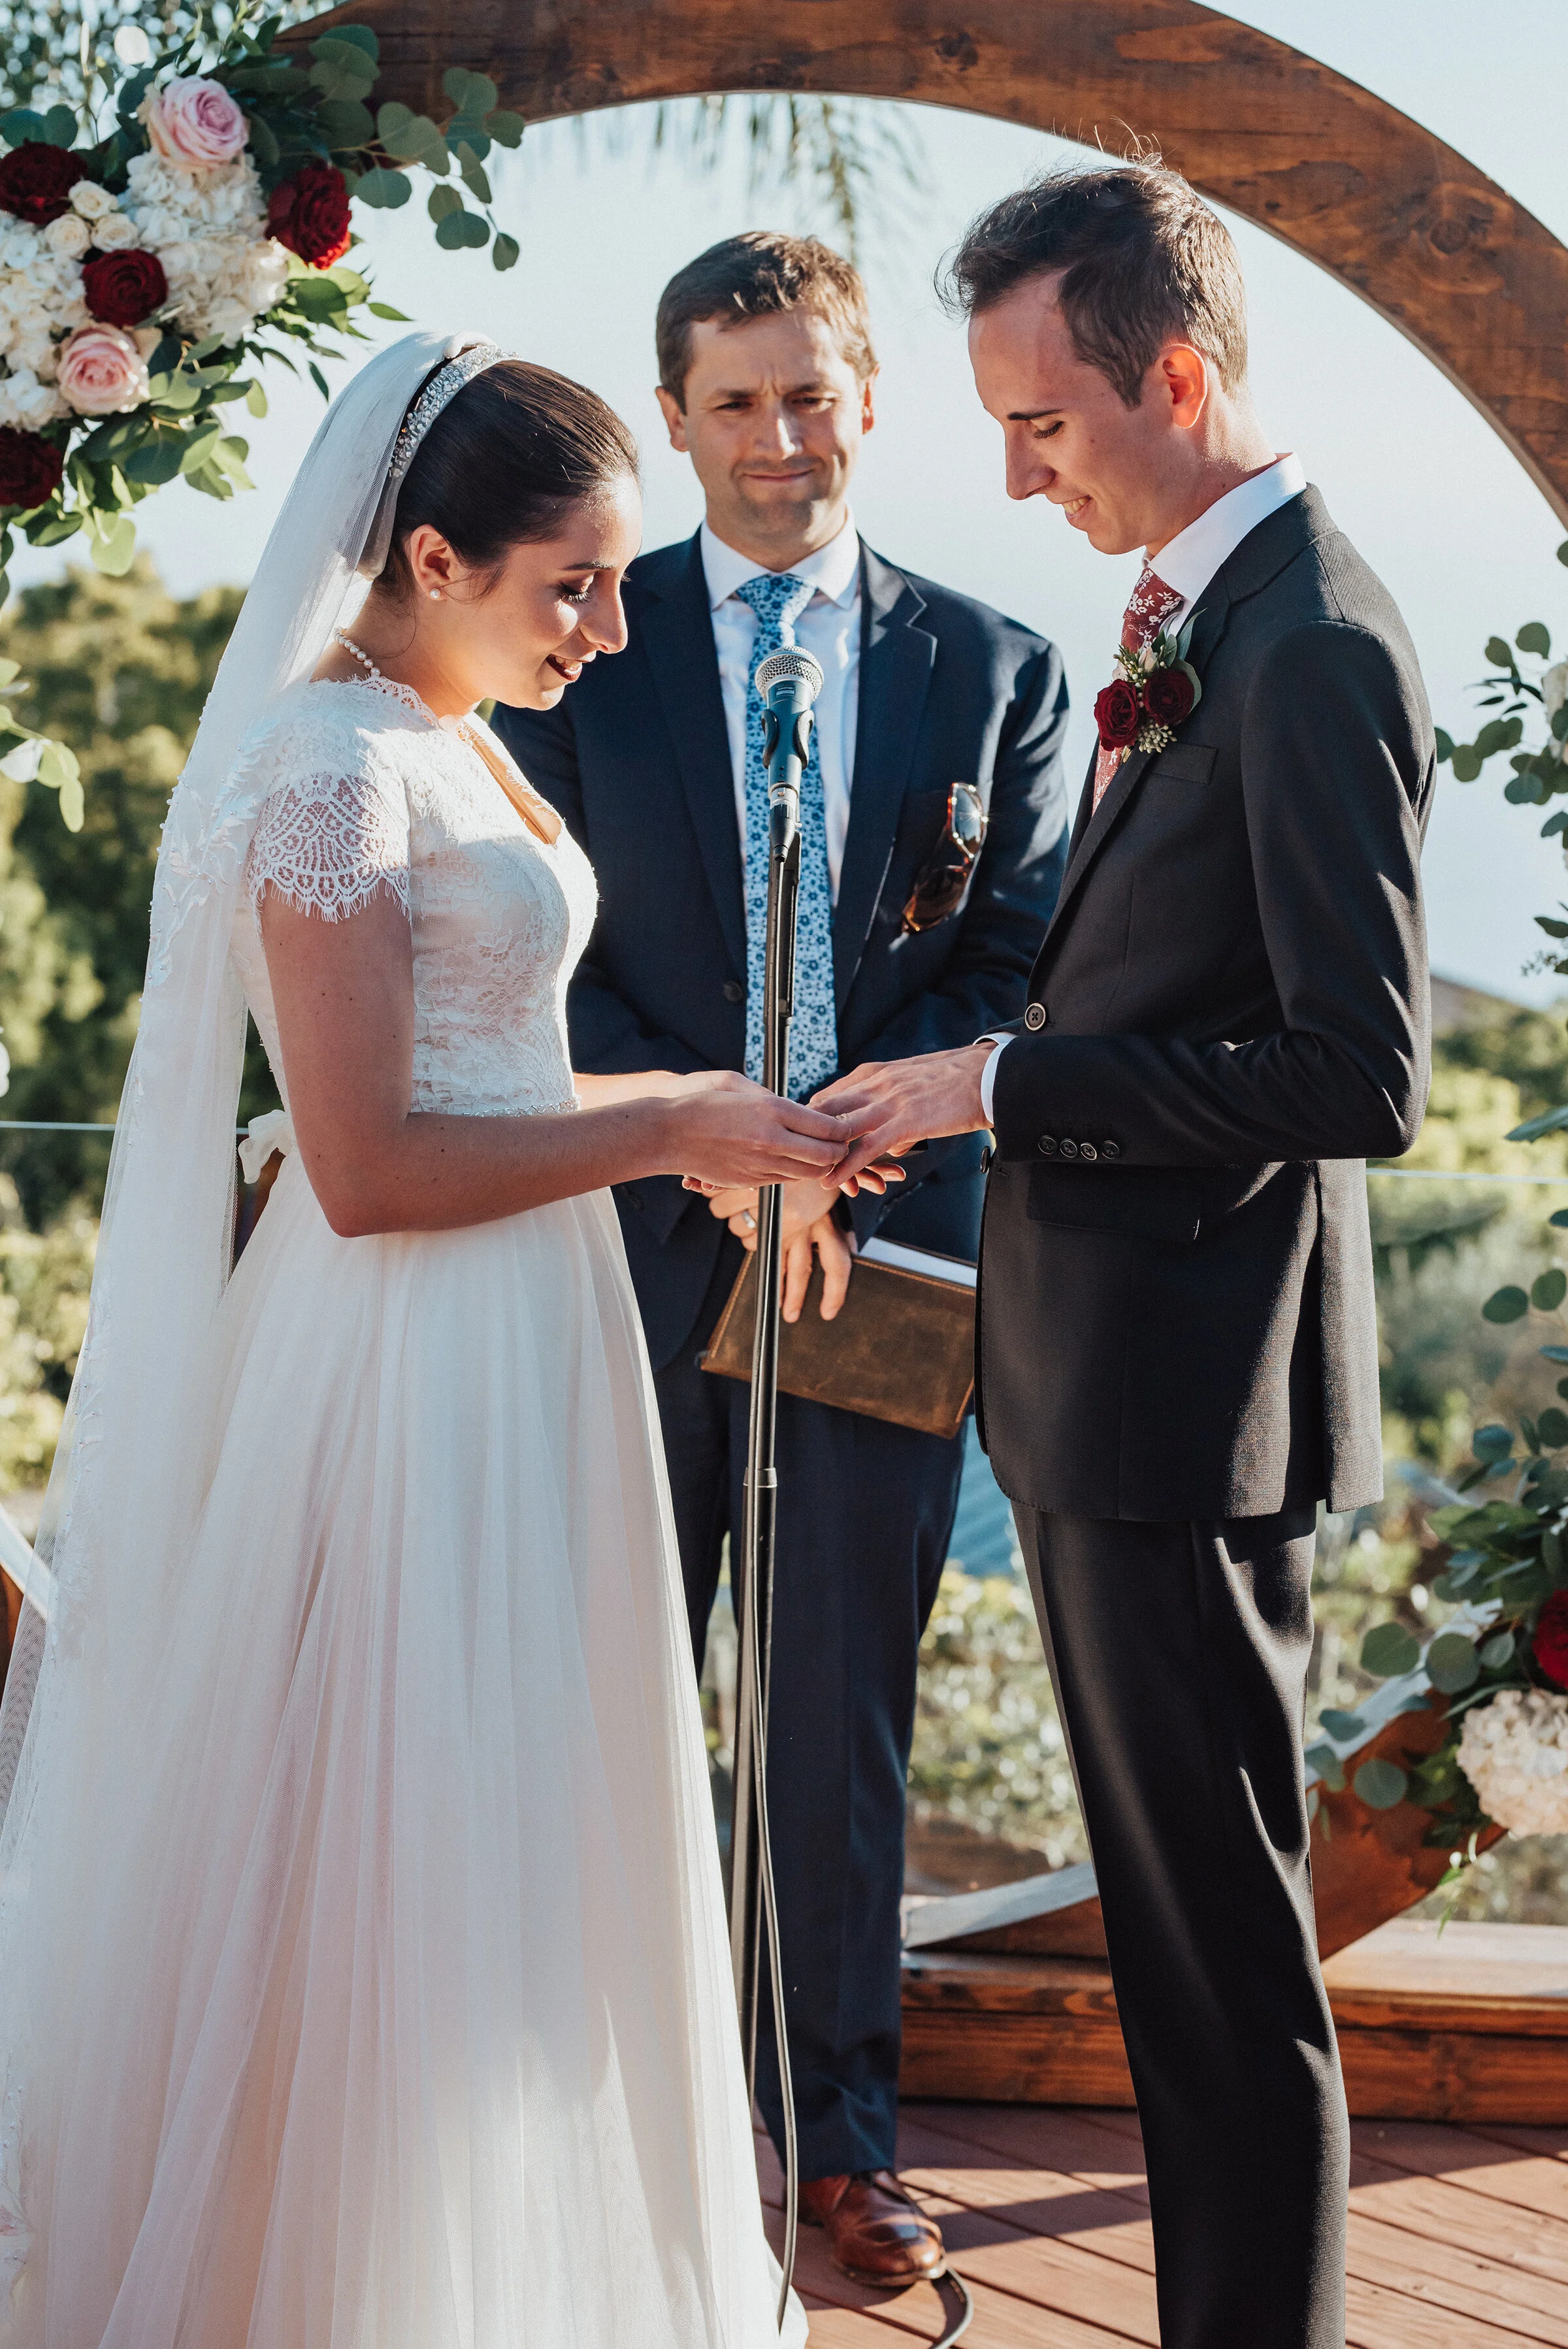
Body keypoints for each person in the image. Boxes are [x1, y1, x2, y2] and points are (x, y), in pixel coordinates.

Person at [0, 331, 858, 2346]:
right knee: (367, 1822)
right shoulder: (325, 767)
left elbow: (491, 1061)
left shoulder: (455, 732)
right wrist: (676, 1121)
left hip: (529, 1334)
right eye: (576, 581)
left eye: (620, 578)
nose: (617, 626)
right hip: (395, 1357)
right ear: (437, 552)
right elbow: (370, 1162)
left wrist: (688, 1136)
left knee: (503, 1822)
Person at [816, 164, 1433, 2349]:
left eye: (1044, 423)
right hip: (1111, 1384)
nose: (1012, 472)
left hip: (1194, 1396)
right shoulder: (1215, 615)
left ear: (1175, 375)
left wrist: (1001, 1086)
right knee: (1177, 1954)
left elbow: (1356, 1077)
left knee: (1218, 1958)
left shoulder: (1315, 639)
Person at [497, 231, 1070, 2290]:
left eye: (809, 392)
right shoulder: (586, 645)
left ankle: (841, 2146)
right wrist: (712, 1147)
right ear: (670, 419)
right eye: (731, 402)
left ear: (869, 398)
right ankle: (584, 2124)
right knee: (610, 1688)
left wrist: (840, 1156)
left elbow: (1011, 957)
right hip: (628, 1251)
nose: (775, 438)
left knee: (839, 1708)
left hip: (884, 1257)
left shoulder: (996, 672)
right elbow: (538, 948)